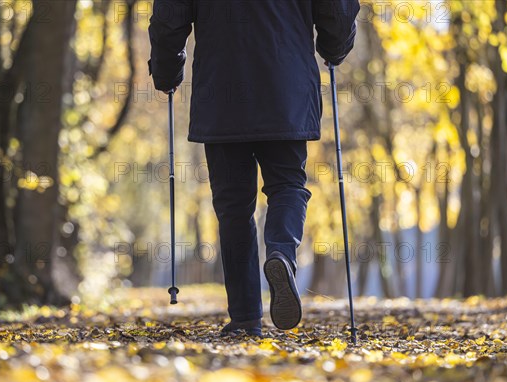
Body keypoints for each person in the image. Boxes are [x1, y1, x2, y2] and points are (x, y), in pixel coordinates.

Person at [149, 0, 360, 336]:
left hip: (221, 93)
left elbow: (169, 19)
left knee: (233, 207)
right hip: (286, 89)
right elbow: (338, 8)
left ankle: (246, 318)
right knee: (287, 185)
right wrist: (334, 47)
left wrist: (166, 72)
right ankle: (282, 254)